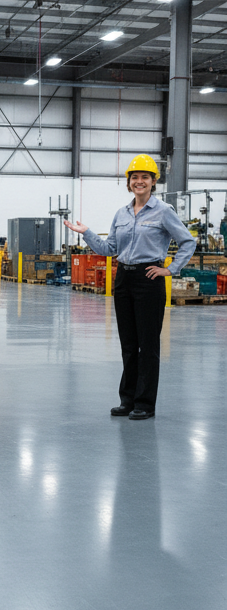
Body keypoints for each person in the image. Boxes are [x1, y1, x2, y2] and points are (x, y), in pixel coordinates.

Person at [64, 154, 196, 420]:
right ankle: (128, 400)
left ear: (153, 181)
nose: (139, 181)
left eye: (144, 177)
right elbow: (109, 248)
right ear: (129, 182)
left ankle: (145, 403)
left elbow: (188, 242)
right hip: (123, 279)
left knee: (147, 345)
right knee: (128, 343)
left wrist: (169, 269)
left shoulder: (163, 211)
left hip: (149, 280)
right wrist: (87, 232)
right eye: (134, 177)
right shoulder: (121, 214)